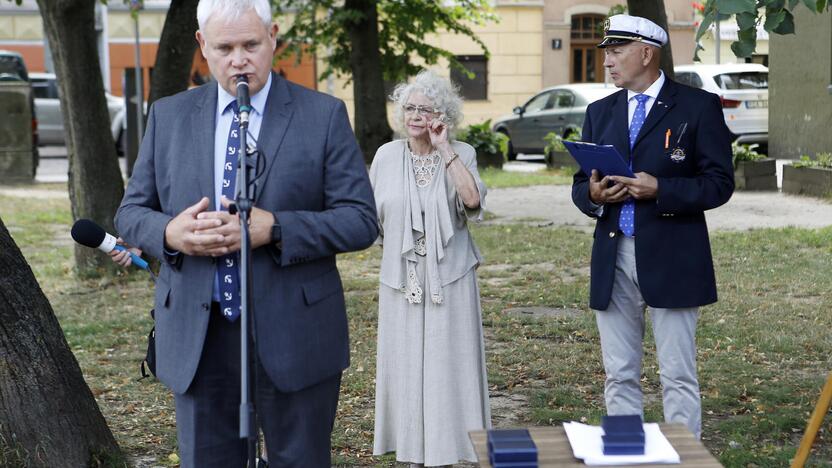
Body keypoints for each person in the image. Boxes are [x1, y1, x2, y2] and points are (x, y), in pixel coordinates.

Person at [114, 0, 378, 466]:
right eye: (225, 47)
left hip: (296, 331)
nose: (239, 59)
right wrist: (171, 233)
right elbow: (131, 211)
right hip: (201, 334)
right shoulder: (169, 116)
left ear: (274, 37)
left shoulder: (324, 115)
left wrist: (275, 229)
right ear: (202, 46)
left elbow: (360, 219)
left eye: (251, 45)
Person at [571, 14, 734, 439]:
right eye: (605, 52)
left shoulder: (697, 106)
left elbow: (719, 184)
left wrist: (660, 189)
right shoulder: (599, 111)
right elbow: (579, 185)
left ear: (647, 53)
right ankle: (625, 456)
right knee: (619, 374)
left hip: (673, 254)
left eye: (616, 51)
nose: (606, 62)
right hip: (614, 253)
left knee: (677, 374)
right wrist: (593, 196)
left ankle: (684, 460)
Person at [369, 70, 491, 467]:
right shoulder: (386, 157)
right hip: (401, 280)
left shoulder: (462, 152)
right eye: (409, 107)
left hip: (450, 277)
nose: (415, 115)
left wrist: (444, 149)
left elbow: (472, 203)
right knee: (405, 363)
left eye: (425, 109)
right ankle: (410, 447)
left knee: (448, 362)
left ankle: (450, 445)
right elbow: (371, 221)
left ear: (443, 115)